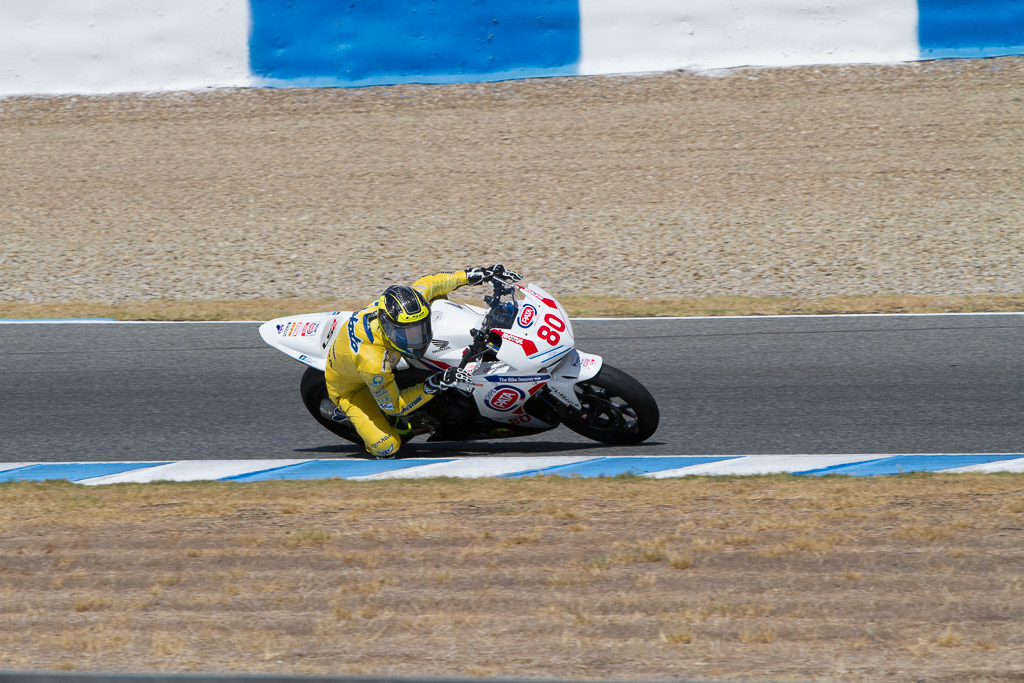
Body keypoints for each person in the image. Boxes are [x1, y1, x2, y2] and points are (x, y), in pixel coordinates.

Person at [322, 265, 521, 458]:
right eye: (406, 333)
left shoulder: (405, 308)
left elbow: (431, 282)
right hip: (351, 389)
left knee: (438, 297)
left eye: (419, 328)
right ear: (386, 326)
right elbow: (395, 406)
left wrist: (476, 275)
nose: (416, 339)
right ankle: (343, 413)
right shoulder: (373, 363)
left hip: (369, 357)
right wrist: (436, 382)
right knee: (387, 447)